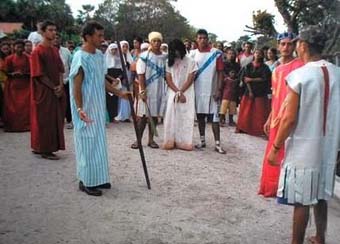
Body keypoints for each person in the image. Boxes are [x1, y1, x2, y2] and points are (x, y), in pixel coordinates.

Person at [267, 25, 340, 244]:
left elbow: (289, 119)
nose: (296, 46)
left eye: (297, 42)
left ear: (304, 46)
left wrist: (275, 148)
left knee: (301, 199)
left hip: (304, 147)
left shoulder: (300, 75)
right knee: (320, 194)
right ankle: (320, 236)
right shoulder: (337, 72)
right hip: (328, 145)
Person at [69, 21, 130, 197]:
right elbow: (76, 86)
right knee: (87, 143)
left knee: (98, 143)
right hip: (86, 107)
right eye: (99, 36)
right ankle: (87, 181)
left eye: (103, 36)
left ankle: (98, 177)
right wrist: (80, 108)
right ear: (88, 36)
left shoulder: (98, 55)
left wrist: (120, 93)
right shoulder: (80, 57)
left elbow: (101, 81)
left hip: (98, 106)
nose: (102, 39)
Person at [258, 32, 304, 197]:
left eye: (289, 44)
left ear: (294, 46)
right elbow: (276, 96)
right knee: (274, 152)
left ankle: (287, 188)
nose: (286, 47)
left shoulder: (300, 65)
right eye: (283, 44)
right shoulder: (276, 70)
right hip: (277, 116)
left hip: (292, 117)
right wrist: (270, 117)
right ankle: (271, 187)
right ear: (278, 46)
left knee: (289, 152)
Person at [30, 20, 66, 160]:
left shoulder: (54, 50)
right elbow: (38, 74)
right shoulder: (37, 51)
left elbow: (60, 70)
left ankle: (46, 147)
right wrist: (54, 87)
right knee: (44, 120)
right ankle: (44, 149)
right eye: (50, 30)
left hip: (55, 90)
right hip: (43, 91)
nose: (53, 32)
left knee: (54, 119)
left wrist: (61, 86)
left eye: (54, 29)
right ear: (43, 32)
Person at [189, 29, 226, 154]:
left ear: (208, 39)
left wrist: (219, 89)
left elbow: (221, 72)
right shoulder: (192, 54)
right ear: (196, 39)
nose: (202, 40)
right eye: (200, 38)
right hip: (197, 90)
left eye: (204, 38)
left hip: (212, 90)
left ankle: (217, 143)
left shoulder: (216, 53)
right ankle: (202, 140)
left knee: (214, 117)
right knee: (200, 116)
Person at [131, 31, 167, 149]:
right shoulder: (144, 56)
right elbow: (141, 74)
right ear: (150, 42)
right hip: (147, 89)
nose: (156, 43)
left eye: (158, 41)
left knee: (155, 116)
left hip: (159, 89)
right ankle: (138, 140)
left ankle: (151, 140)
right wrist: (142, 91)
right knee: (142, 117)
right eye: (154, 41)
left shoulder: (164, 56)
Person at [163, 39, 197, 150]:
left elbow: (190, 78)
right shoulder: (169, 62)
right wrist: (177, 92)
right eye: (173, 51)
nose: (176, 53)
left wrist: (181, 92)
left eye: (177, 50)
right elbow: (168, 79)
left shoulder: (191, 61)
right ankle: (170, 140)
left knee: (185, 116)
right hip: (173, 91)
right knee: (171, 115)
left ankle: (184, 142)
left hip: (186, 92)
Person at [236, 49, 271, 136]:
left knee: (259, 111)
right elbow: (245, 79)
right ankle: (244, 127)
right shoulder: (248, 66)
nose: (258, 55)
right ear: (254, 54)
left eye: (260, 53)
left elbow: (264, 79)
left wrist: (252, 79)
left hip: (260, 91)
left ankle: (260, 129)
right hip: (249, 90)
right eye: (256, 53)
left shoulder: (265, 67)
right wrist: (250, 91)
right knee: (246, 110)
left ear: (262, 55)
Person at [3, 39, 31, 132]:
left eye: (21, 47)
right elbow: (6, 71)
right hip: (13, 85)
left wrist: (24, 74)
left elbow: (32, 71)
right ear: (14, 48)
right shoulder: (9, 58)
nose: (20, 49)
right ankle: (13, 126)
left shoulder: (28, 57)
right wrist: (13, 74)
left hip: (25, 84)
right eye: (18, 47)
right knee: (12, 106)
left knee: (25, 106)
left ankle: (26, 125)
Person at [53, 33, 73, 129]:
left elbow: (70, 65)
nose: (56, 39)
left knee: (68, 101)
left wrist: (69, 78)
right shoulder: (49, 51)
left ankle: (69, 120)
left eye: (58, 38)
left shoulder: (66, 51)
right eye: (54, 38)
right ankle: (56, 122)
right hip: (53, 82)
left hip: (66, 80)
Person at [115, 40, 133, 122]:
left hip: (129, 78)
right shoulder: (118, 57)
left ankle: (127, 115)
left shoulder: (129, 57)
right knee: (122, 97)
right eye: (123, 46)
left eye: (126, 47)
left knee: (128, 96)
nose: (125, 48)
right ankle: (122, 114)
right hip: (122, 79)